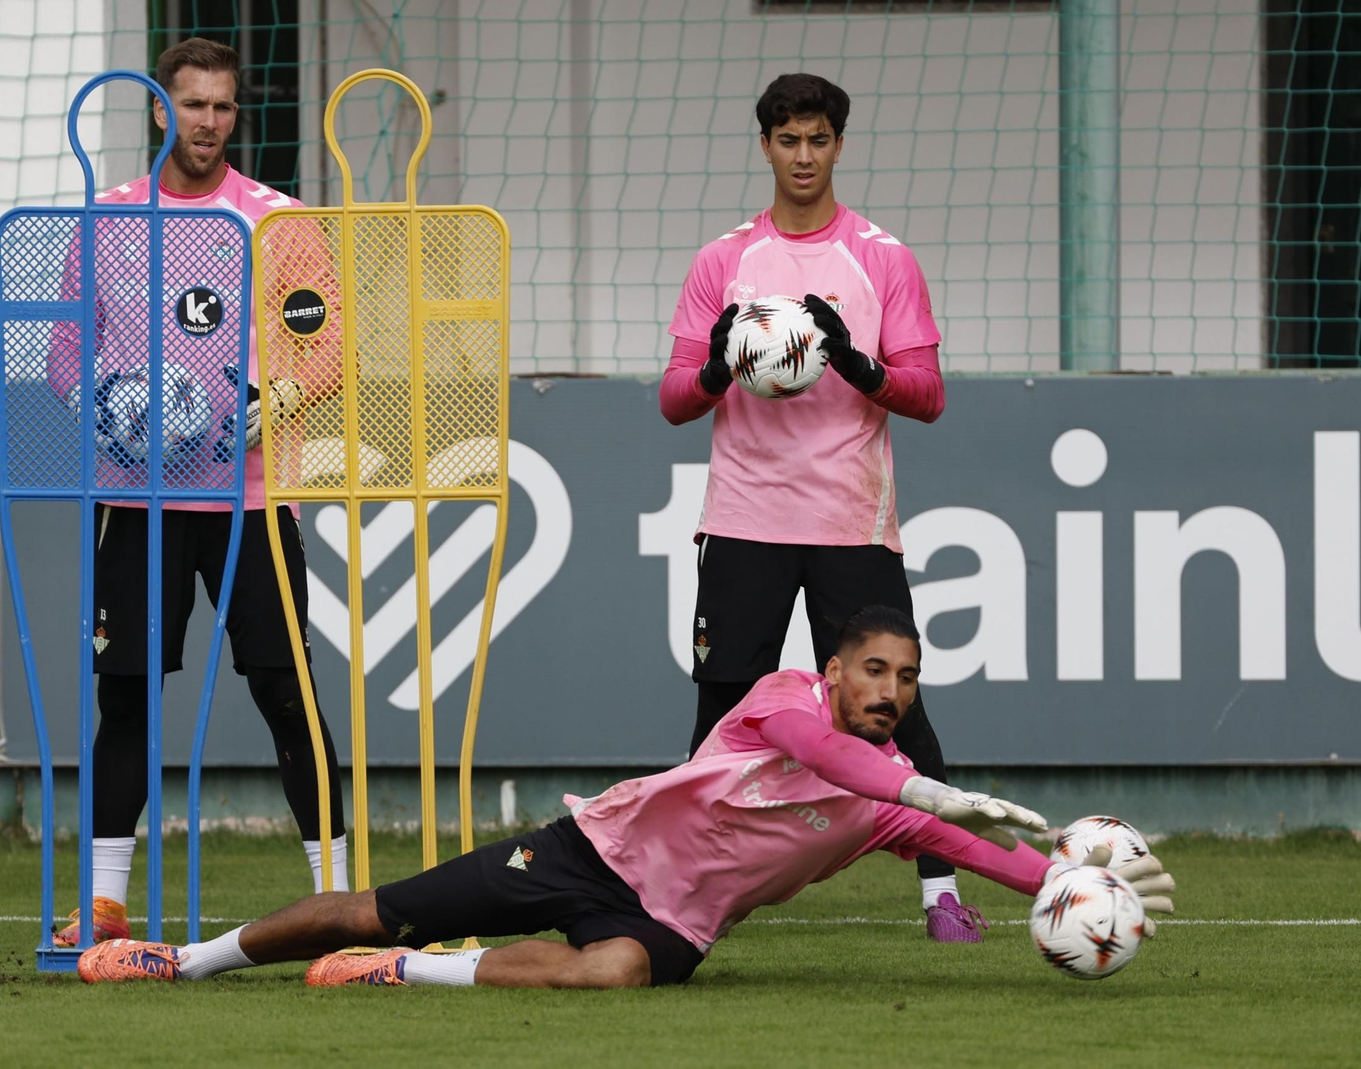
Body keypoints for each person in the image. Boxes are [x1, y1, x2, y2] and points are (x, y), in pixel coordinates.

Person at [73, 606, 1177, 988]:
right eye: (875, 672)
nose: (891, 691)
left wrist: (1076, 881)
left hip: (673, 923)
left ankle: (400, 973)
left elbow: (979, 850)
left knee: (610, 974)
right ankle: (186, 960)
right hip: (593, 852)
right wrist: (940, 788)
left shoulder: (886, 801)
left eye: (908, 678)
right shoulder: (781, 701)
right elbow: (838, 761)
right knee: (374, 903)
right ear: (837, 671)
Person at [45, 38, 347, 947]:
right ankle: (104, 905)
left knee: (287, 692)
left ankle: (338, 901)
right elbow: (66, 355)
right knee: (127, 698)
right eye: (192, 105)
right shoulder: (108, 218)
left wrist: (283, 395)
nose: (208, 123)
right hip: (136, 501)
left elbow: (329, 347)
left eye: (223, 106)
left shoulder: (278, 220)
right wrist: (109, 410)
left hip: (253, 500)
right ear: (158, 108)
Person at [660, 72, 974, 939]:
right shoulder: (724, 260)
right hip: (744, 522)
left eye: (819, 139)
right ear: (765, 146)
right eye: (789, 140)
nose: (804, 156)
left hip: (849, 525)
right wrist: (718, 367)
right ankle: (678, 897)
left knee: (898, 710)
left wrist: (859, 365)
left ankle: (941, 896)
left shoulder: (882, 257)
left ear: (839, 145)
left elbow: (928, 393)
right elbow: (675, 398)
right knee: (721, 714)